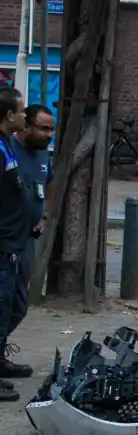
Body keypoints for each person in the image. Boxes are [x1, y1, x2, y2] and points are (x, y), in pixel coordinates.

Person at [9, 104, 54, 345]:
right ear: (26, 125)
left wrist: (43, 214)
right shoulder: (8, 150)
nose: (49, 135)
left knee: (19, 303)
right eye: (44, 129)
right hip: (7, 238)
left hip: (27, 239)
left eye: (52, 130)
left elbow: (49, 183)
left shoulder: (44, 153)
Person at [0, 88, 30, 401]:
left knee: (8, 305)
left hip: (13, 240)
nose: (24, 115)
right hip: (2, 242)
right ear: (9, 115)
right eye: (21, 111)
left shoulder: (8, 143)